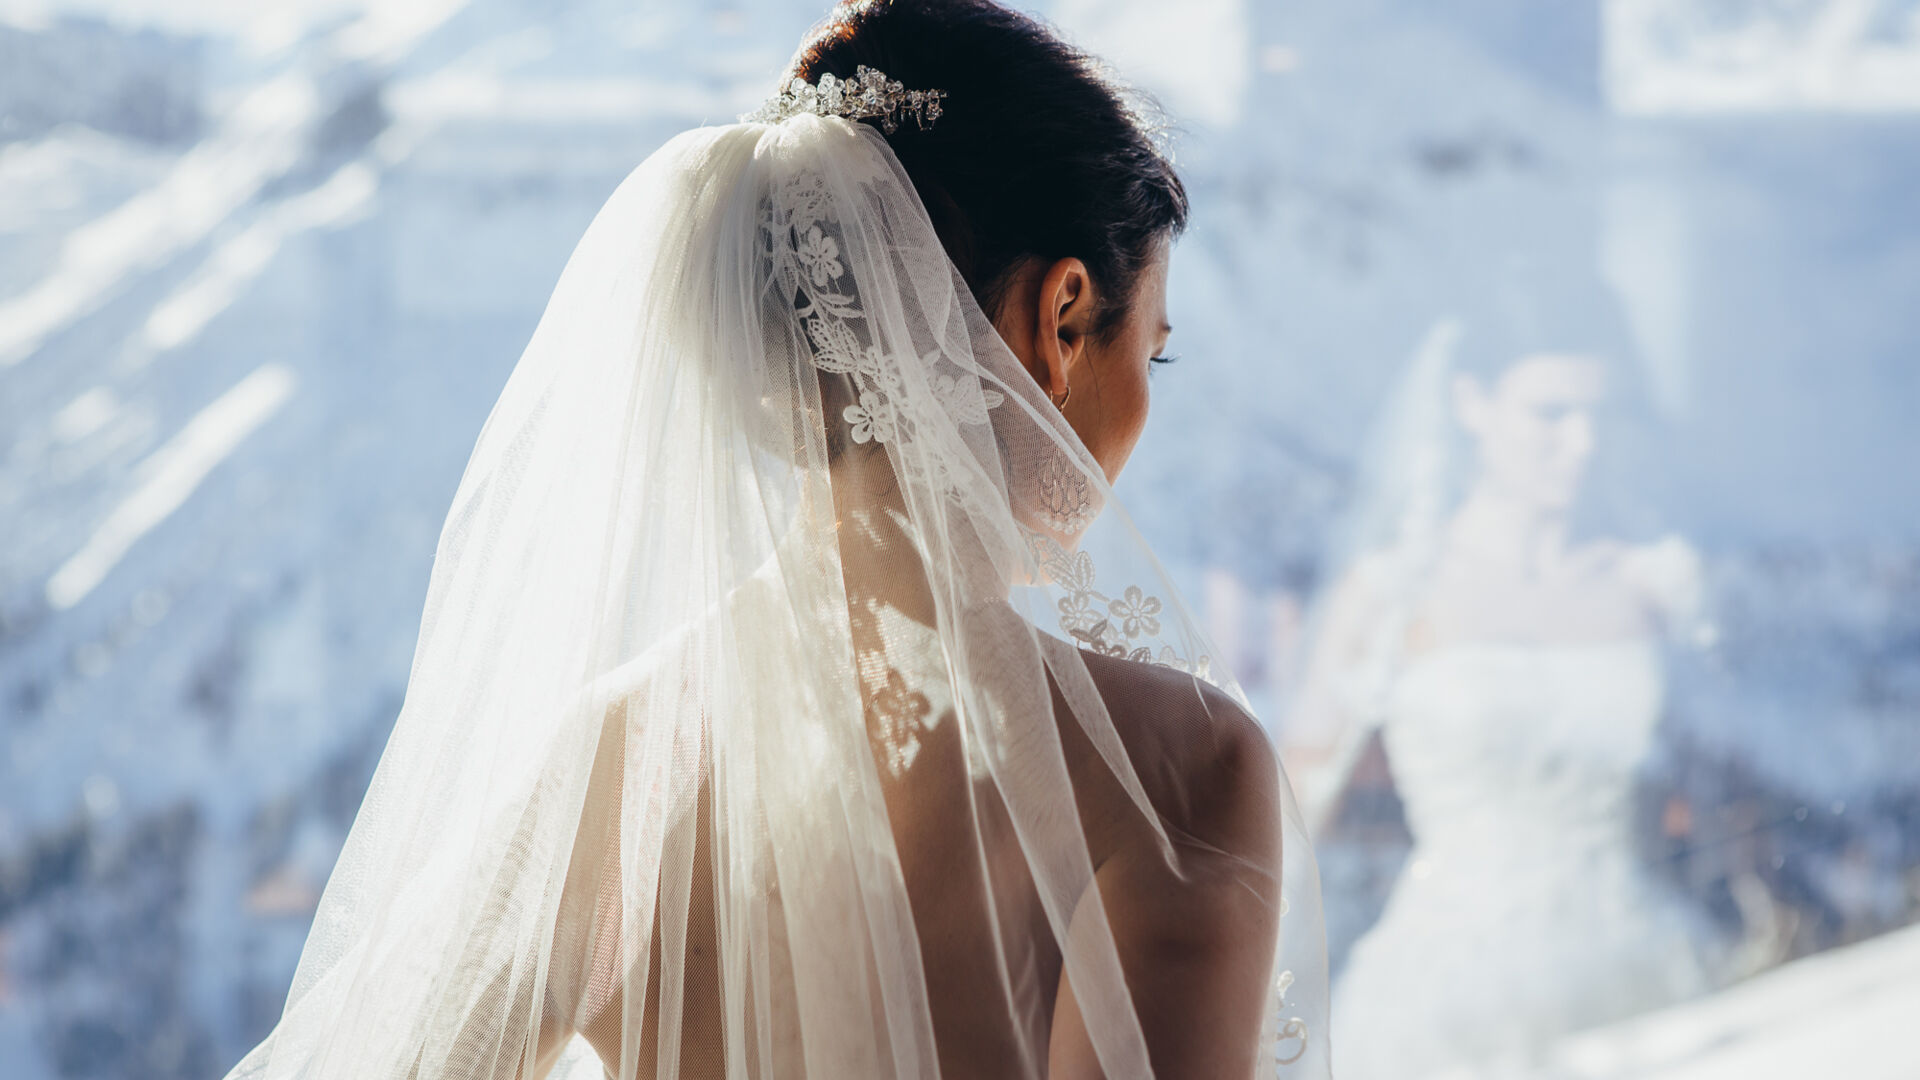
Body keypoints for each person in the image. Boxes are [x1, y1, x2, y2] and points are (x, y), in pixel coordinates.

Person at [218, 2, 1329, 1078]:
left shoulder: (611, 764)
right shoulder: (1174, 774)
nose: (1147, 398)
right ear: (1062, 317)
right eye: (1154, 350)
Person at [1283, 279, 1728, 1077]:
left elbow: (1733, 794)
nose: (1583, 442)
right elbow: (1287, 824)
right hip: (1447, 1000)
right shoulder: (1391, 596)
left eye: (1600, 414)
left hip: (1639, 975)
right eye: (1551, 414)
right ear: (1472, 405)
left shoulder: (1659, 585)